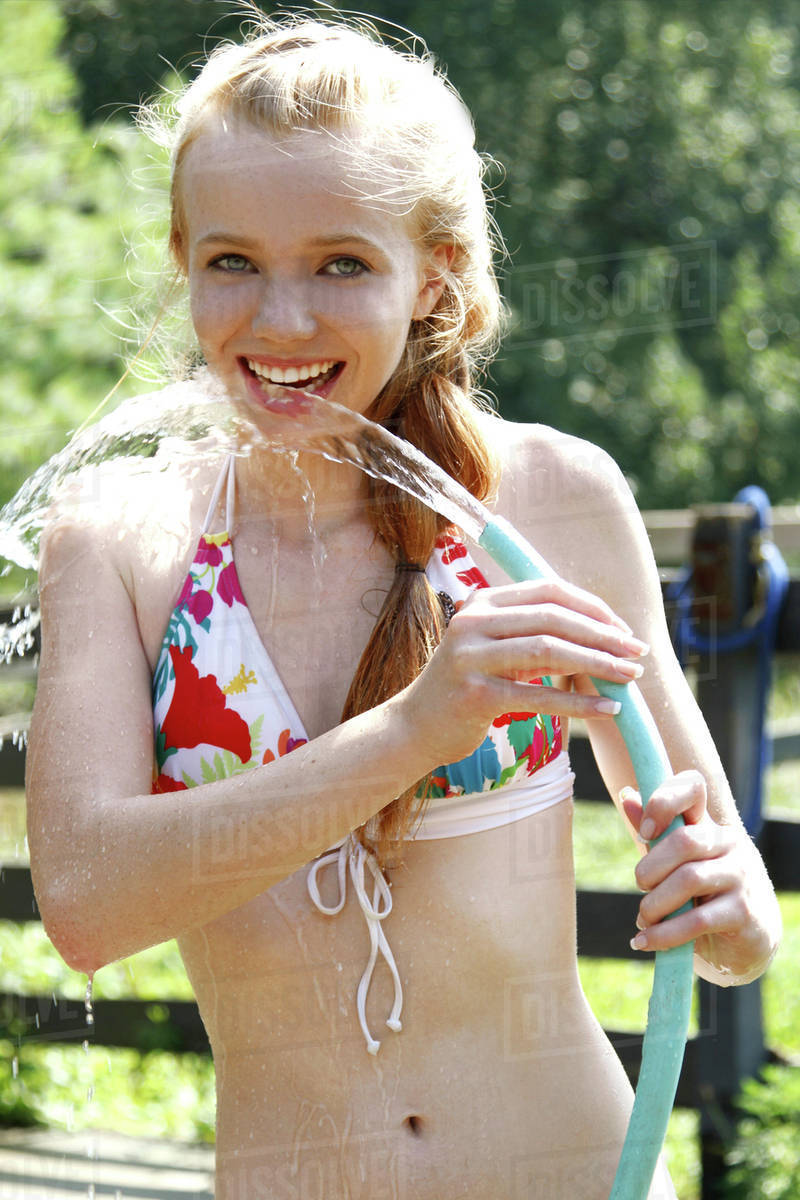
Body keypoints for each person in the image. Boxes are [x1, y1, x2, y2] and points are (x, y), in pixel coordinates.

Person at [26, 9, 781, 1199]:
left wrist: (733, 915)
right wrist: (415, 733)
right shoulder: (123, 542)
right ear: (183, 258)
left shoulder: (552, 503)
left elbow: (729, 922)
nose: (279, 321)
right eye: (233, 261)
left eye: (340, 263)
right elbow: (84, 903)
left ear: (432, 274)